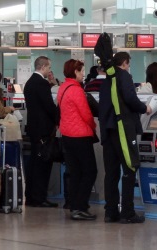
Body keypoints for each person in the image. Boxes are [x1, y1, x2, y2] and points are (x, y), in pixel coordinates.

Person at [99, 52, 151, 224]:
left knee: (111, 172)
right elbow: (130, 98)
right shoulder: (124, 76)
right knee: (130, 168)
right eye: (128, 64)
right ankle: (128, 212)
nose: (128, 67)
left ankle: (110, 212)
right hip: (122, 129)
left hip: (108, 129)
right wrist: (145, 108)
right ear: (124, 63)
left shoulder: (107, 79)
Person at [58, 59, 97, 220]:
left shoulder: (62, 88)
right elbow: (86, 114)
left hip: (66, 134)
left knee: (75, 172)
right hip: (80, 136)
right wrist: (93, 126)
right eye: (81, 71)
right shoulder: (76, 90)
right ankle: (80, 206)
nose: (83, 74)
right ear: (75, 72)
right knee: (90, 171)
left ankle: (74, 205)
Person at [23, 56, 58, 208]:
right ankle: (40, 197)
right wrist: (58, 118)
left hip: (33, 128)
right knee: (43, 164)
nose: (49, 71)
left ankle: (31, 196)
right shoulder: (42, 84)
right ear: (43, 67)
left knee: (34, 163)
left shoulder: (29, 83)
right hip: (43, 129)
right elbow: (49, 106)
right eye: (49, 68)